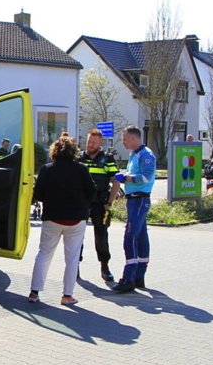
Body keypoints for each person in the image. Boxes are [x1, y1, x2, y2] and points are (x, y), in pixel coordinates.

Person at [28, 133, 98, 306]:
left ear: (54, 151)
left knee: (44, 254)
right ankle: (67, 295)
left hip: (52, 217)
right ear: (74, 151)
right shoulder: (81, 169)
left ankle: (34, 292)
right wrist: (83, 205)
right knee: (72, 258)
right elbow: (92, 192)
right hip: (76, 218)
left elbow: (38, 194)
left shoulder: (47, 169)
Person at [112, 126, 156, 293]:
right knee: (141, 237)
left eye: (124, 138)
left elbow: (146, 177)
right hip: (135, 200)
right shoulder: (135, 155)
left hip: (139, 199)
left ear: (133, 138)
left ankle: (128, 278)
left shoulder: (146, 155)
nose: (122, 142)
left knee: (130, 237)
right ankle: (139, 276)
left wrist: (125, 178)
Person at [77, 129, 121, 282]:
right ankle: (74, 266)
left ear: (100, 143)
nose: (90, 145)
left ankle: (105, 267)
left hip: (99, 203)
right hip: (81, 203)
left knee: (101, 235)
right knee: (76, 236)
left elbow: (116, 181)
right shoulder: (79, 158)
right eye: (89, 141)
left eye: (93, 142)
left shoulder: (107, 159)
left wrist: (109, 203)